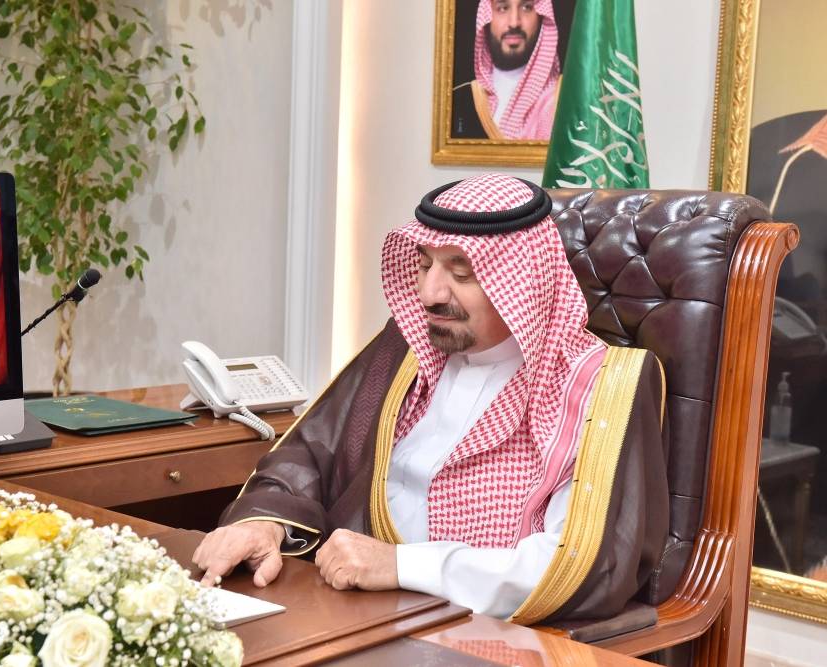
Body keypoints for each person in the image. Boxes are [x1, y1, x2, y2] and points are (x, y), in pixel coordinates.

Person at [193, 173, 669, 624]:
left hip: (477, 631)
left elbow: (577, 563)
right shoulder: (407, 347)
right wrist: (264, 524)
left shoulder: (598, 387)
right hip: (344, 601)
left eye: (461, 273)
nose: (428, 293)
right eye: (424, 265)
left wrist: (401, 566)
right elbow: (313, 451)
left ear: (524, 283)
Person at [453, 0, 561, 141]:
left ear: (541, 16)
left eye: (526, 7)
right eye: (503, 8)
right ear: (487, 17)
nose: (514, 23)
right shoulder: (457, 101)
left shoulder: (566, 99)